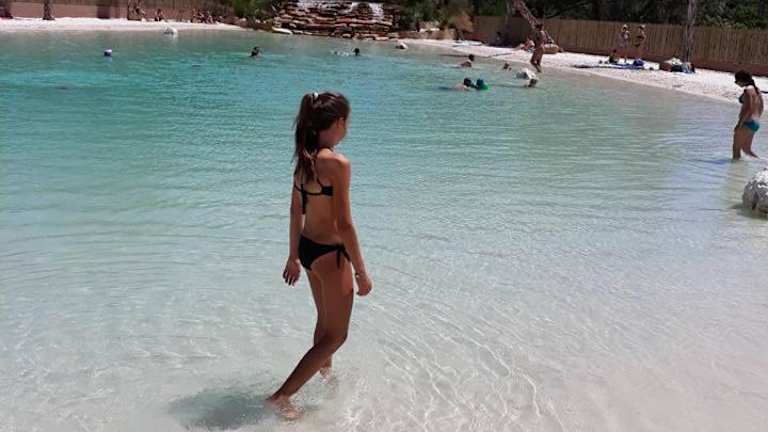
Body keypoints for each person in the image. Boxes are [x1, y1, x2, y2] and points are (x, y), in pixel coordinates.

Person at [267, 92, 372, 418]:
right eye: (347, 122)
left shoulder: (305, 160)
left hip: (308, 249)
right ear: (339, 122)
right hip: (330, 255)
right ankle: (282, 396)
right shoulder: (338, 164)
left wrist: (293, 256)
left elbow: (295, 211)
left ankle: (325, 380)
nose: (347, 127)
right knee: (337, 335)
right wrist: (361, 271)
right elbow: (344, 224)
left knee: (325, 325)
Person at [733, 70, 764, 159]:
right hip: (755, 123)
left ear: (742, 80)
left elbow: (749, 108)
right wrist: (756, 119)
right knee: (746, 150)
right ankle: (763, 163)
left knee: (736, 149)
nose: (735, 82)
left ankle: (735, 168)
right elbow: (761, 107)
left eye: (736, 80)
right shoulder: (757, 90)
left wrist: (739, 124)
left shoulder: (748, 90)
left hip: (747, 122)